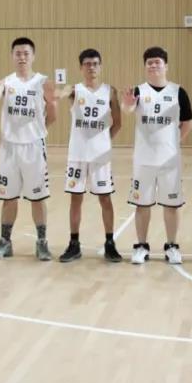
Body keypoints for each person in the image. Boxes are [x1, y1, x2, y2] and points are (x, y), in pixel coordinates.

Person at [0, 37, 58, 262]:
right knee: (9, 198)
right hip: (9, 148)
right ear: (12, 56)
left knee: (37, 197)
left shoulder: (42, 82)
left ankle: (42, 243)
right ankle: (5, 243)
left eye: (26, 53)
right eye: (18, 53)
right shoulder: (6, 82)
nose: (22, 57)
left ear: (33, 56)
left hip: (34, 147)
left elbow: (53, 115)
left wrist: (37, 132)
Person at [121, 46, 192, 265]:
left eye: (157, 62)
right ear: (145, 66)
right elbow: (127, 110)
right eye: (149, 62)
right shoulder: (138, 91)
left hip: (169, 161)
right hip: (143, 160)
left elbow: (188, 123)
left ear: (166, 66)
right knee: (142, 204)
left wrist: (173, 143)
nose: (153, 65)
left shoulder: (178, 92)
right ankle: (141, 246)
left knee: (171, 204)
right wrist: (127, 104)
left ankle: (172, 246)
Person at [57, 48, 123, 263]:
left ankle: (110, 243)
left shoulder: (110, 92)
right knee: (76, 199)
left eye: (95, 63)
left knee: (105, 198)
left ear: (100, 66)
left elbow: (118, 123)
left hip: (100, 156)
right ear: (81, 67)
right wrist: (57, 93)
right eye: (87, 64)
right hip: (77, 155)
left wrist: (103, 140)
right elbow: (61, 93)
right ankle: (74, 243)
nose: (91, 67)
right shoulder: (74, 90)